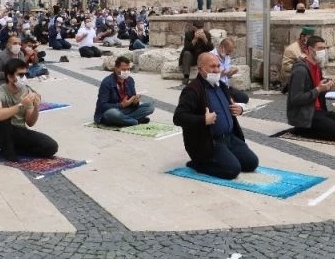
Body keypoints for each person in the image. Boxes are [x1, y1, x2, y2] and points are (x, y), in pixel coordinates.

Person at [173, 52, 258, 180]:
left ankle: (225, 156)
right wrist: (203, 120)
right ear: (201, 69)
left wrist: (240, 109)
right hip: (209, 142)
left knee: (251, 163)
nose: (217, 70)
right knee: (232, 170)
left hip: (229, 138)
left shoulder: (221, 86)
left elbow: (243, 97)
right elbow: (178, 117)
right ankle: (198, 164)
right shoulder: (192, 90)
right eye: (212, 66)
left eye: (218, 66)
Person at [286, 36, 335, 141]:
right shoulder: (300, 70)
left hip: (320, 111)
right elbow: (296, 99)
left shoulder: (317, 67)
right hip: (305, 114)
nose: (323, 51)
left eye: (325, 48)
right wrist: (318, 89)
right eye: (320, 48)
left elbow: (317, 89)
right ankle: (300, 129)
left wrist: (327, 87)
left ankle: (316, 127)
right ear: (310, 49)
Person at [0, 58, 58, 161]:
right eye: (20, 75)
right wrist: (21, 105)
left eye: (25, 74)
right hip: (0, 133)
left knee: (51, 147)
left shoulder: (25, 90)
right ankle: (8, 151)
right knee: (3, 118)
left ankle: (16, 149)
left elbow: (30, 122)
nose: (24, 77)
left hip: (19, 132)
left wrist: (36, 107)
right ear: (10, 76)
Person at [94, 56, 155, 126]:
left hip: (126, 110)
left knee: (150, 107)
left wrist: (135, 102)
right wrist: (121, 105)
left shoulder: (130, 80)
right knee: (113, 114)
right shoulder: (107, 82)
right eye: (123, 69)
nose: (126, 72)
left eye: (128, 69)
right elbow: (102, 105)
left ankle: (125, 120)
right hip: (110, 111)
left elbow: (132, 101)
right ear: (116, 69)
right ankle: (134, 121)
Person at [209, 38, 248, 104]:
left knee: (244, 98)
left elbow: (227, 76)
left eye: (231, 51)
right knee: (228, 102)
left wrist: (231, 73)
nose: (229, 54)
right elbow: (210, 78)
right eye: (228, 51)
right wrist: (223, 73)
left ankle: (227, 98)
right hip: (216, 87)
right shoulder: (210, 56)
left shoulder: (227, 57)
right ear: (221, 47)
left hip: (226, 86)